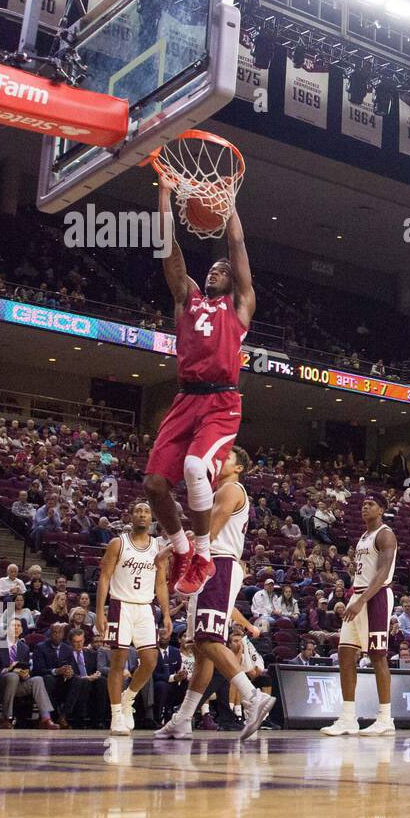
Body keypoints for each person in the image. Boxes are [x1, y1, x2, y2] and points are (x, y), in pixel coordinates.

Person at [142, 181, 255, 597]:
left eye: (222, 270)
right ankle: (182, 548)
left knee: (193, 469)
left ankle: (204, 555)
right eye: (212, 269)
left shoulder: (240, 305)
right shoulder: (185, 298)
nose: (216, 271)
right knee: (154, 484)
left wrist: (229, 209)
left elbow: (238, 245)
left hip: (221, 401)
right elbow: (168, 249)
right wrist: (164, 198)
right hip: (185, 398)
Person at [156, 446, 274, 740]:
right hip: (215, 564)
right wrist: (176, 546)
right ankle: (183, 718)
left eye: (227, 457)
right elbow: (204, 532)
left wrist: (180, 550)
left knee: (208, 641)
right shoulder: (222, 492)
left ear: (239, 468)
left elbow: (210, 532)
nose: (219, 460)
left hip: (217, 565)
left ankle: (251, 697)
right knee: (201, 649)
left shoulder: (231, 488)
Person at [321, 495, 398, 737]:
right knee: (345, 652)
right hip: (359, 595)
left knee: (377, 655)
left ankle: (386, 718)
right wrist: (355, 598)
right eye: (363, 505)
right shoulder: (363, 536)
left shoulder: (385, 534)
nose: (365, 507)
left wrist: (362, 600)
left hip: (376, 597)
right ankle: (348, 717)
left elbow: (384, 572)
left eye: (371, 504)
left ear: (382, 509)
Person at [95, 500, 168, 735]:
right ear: (131, 516)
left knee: (150, 661)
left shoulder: (158, 546)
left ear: (151, 518)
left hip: (146, 607)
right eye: (138, 511)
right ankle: (116, 715)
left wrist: (166, 614)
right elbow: (104, 577)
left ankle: (129, 698)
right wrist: (99, 612)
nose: (142, 515)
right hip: (120, 605)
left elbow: (161, 583)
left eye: (147, 511)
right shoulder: (118, 543)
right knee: (118, 661)